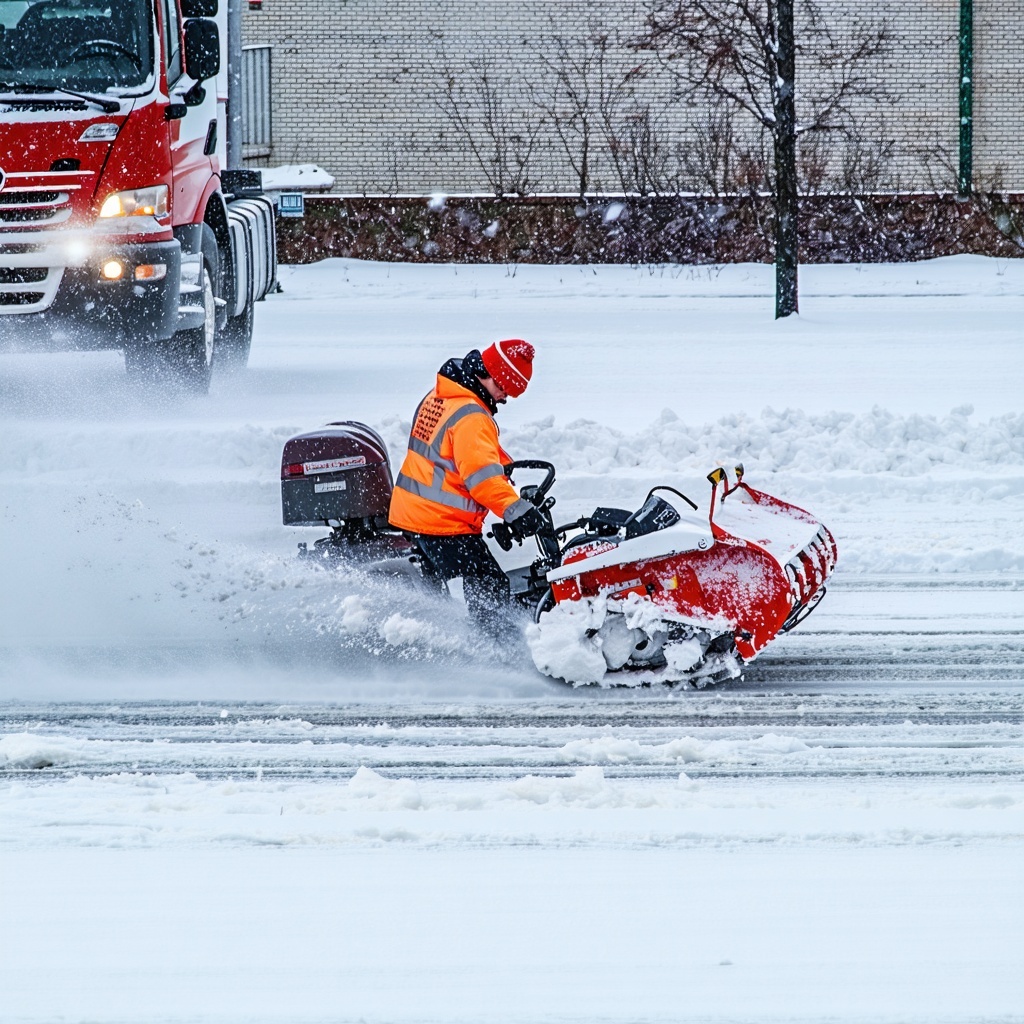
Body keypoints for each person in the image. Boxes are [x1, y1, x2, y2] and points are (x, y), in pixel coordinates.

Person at [388, 339, 545, 637]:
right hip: (441, 522)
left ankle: (437, 633)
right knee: (490, 587)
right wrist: (515, 510)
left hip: (415, 512)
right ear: (492, 375)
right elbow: (481, 480)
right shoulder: (472, 417)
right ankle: (495, 650)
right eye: (504, 389)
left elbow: (454, 452)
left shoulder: (442, 394)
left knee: (443, 590)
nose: (504, 399)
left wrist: (504, 470)